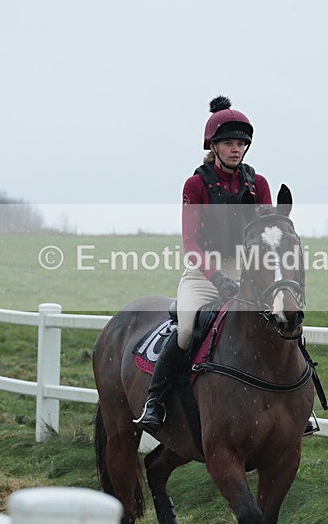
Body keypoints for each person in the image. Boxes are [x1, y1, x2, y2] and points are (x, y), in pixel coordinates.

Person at [134, 96, 318, 434]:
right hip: (204, 273)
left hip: (248, 270)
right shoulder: (195, 185)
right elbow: (190, 244)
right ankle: (155, 402)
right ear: (214, 147)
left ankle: (299, 406)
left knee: (282, 320)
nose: (236, 149)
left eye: (241, 144)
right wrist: (217, 278)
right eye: (229, 143)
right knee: (187, 330)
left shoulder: (257, 183)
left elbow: (265, 233)